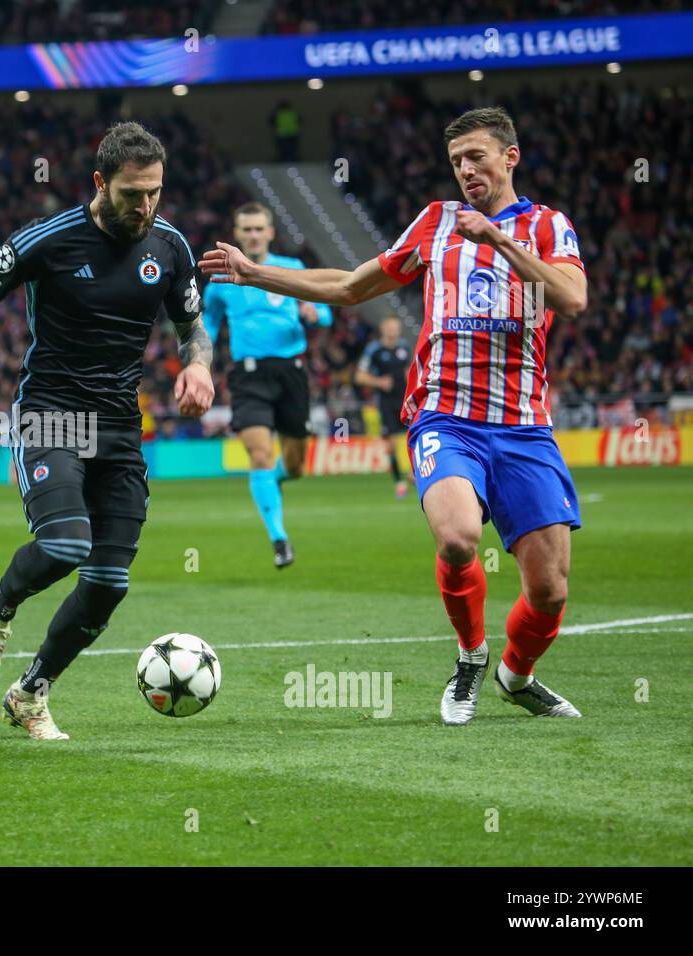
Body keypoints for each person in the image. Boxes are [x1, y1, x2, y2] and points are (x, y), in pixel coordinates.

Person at [202, 106, 588, 726]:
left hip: (523, 424)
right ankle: (471, 656)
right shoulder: (435, 224)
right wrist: (255, 274)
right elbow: (353, 287)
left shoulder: (546, 226)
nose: (466, 169)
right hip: (445, 418)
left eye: (478, 157)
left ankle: (517, 675)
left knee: (549, 591)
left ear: (510, 157)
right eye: (457, 160)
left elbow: (571, 298)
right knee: (459, 537)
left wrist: (498, 240)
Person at [0, 121, 214, 739]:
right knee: (66, 546)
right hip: (53, 415)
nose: (145, 207)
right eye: (131, 195)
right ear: (100, 183)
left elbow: (191, 324)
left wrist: (198, 363)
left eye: (155, 194)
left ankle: (32, 693)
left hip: (119, 426)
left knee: (108, 585)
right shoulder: (53, 239)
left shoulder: (170, 246)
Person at [203, 201, 331, 568]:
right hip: (247, 375)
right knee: (260, 454)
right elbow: (209, 324)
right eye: (247, 229)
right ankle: (279, 538)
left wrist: (313, 313)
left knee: (294, 467)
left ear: (271, 232)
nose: (254, 235)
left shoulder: (291, 269)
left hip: (291, 372)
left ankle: (269, 483)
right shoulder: (222, 278)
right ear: (237, 233)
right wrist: (200, 361)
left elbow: (323, 312)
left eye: (260, 228)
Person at [354, 314, 412, 498]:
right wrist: (379, 382)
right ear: (383, 329)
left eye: (395, 327)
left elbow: (409, 370)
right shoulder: (374, 350)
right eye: (389, 327)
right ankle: (399, 482)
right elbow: (359, 376)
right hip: (385, 402)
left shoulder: (404, 347)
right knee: (391, 443)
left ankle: (415, 473)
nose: (393, 331)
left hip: (405, 400)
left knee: (415, 436)